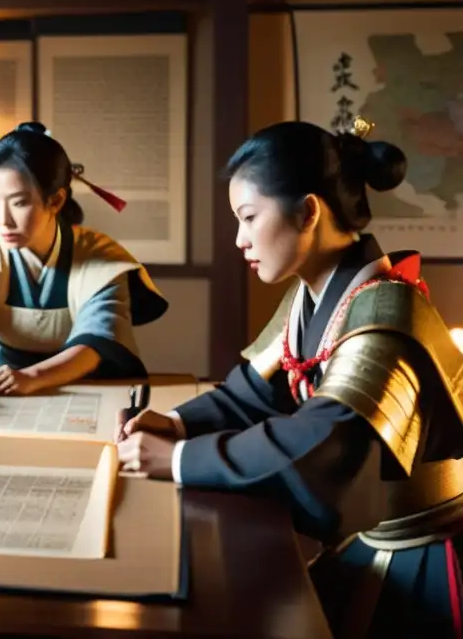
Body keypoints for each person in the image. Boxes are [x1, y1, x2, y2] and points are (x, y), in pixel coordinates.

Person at [116, 119, 463, 638]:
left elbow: (321, 440)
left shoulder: (384, 315)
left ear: (307, 212)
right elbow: (251, 393)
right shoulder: (315, 295)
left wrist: (180, 460)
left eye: (249, 217)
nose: (239, 239)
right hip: (374, 538)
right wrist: (176, 424)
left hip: (423, 551)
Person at [0, 122, 168, 403]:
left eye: (19, 203)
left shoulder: (101, 257)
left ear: (56, 200)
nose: (3, 220)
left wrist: (33, 377)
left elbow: (98, 340)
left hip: (77, 388)